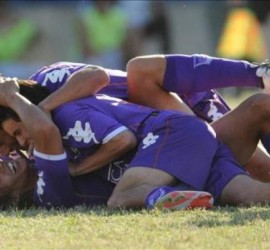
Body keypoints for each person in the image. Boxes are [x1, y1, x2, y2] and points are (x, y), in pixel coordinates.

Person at [2, 78, 270, 210]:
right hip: (174, 160)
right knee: (253, 196)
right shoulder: (43, 184)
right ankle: (181, 193)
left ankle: (165, 196)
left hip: (171, 135)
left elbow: (122, 137)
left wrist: (13, 97)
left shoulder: (65, 116)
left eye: (18, 132)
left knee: (122, 199)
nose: (20, 142)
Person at [30, 55, 270, 181]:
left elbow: (96, 75)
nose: (10, 146)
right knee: (261, 173)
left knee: (140, 70)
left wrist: (43, 107)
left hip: (183, 102)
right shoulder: (36, 141)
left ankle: (260, 74)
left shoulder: (46, 81)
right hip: (165, 129)